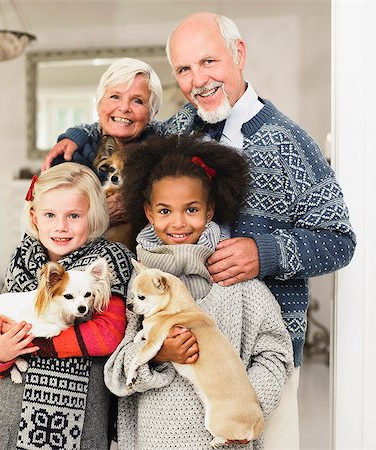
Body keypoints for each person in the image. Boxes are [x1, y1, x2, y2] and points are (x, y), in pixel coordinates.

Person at [43, 12, 356, 448]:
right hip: (173, 344)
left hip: (261, 348)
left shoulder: (291, 143)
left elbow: (339, 240)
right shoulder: (173, 130)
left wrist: (265, 252)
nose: (198, 80)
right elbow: (120, 121)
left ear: (238, 54)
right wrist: (74, 133)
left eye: (208, 62)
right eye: (185, 70)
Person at [104, 134, 294, 450]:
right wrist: (158, 354)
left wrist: (244, 404)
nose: (178, 222)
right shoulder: (138, 288)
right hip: (155, 440)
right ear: (149, 213)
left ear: (209, 212)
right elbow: (116, 373)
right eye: (165, 211)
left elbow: (276, 352)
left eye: (191, 209)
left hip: (226, 441)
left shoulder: (239, 285)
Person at [0, 163, 133, 450]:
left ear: (93, 216)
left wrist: (33, 341)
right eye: (50, 215)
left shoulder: (107, 260)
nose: (60, 226)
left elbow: (108, 335)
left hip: (78, 423)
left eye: (74, 216)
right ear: (35, 217)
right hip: (11, 418)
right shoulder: (22, 260)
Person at [41, 57, 163, 228]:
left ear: (152, 113)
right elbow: (48, 223)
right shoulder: (69, 157)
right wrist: (101, 216)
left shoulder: (163, 156)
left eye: (138, 101)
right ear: (98, 104)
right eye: (115, 96)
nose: (124, 107)